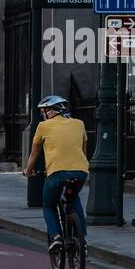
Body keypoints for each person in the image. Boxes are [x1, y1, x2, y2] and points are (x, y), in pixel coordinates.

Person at [22, 95, 90, 256]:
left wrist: (28, 171)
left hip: (56, 172)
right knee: (74, 199)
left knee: (49, 205)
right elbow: (83, 149)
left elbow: (34, 154)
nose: (43, 114)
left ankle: (57, 236)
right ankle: (82, 240)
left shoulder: (43, 127)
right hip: (81, 171)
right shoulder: (79, 124)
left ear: (53, 111)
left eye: (45, 111)